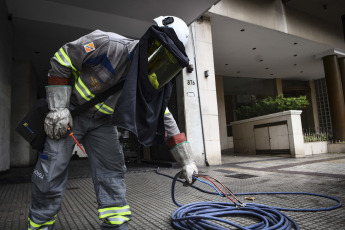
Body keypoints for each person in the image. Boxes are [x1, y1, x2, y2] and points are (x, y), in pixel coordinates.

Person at [27, 16, 198, 230]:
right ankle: (39, 224)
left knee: (112, 171)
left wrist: (187, 161)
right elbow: (62, 59)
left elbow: (164, 115)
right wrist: (58, 107)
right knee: (52, 169)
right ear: (150, 40)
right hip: (70, 115)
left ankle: (115, 223)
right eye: (161, 53)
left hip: (103, 124)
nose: (159, 62)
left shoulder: (147, 80)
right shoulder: (107, 44)